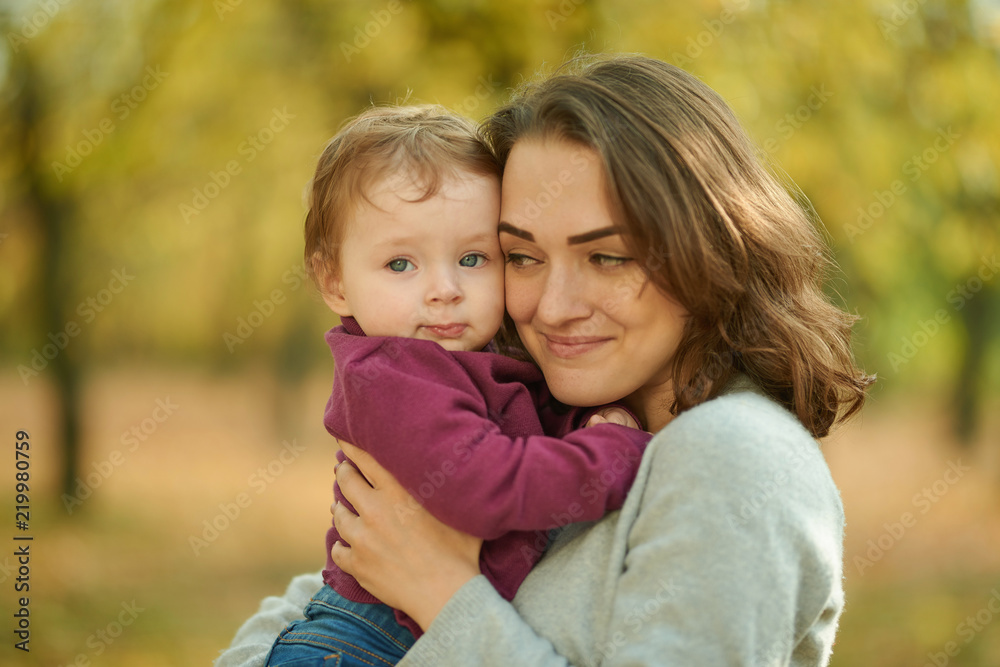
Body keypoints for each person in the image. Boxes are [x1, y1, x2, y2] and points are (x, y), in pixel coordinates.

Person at [218, 54, 872, 667]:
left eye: (607, 256)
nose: (554, 307)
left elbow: (409, 567)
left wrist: (445, 595)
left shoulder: (731, 453)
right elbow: (334, 582)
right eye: (524, 257)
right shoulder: (558, 417)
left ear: (709, 250)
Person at [262, 104, 653, 666]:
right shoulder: (390, 374)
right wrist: (615, 451)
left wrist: (586, 422)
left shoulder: (471, 358)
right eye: (401, 264)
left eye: (473, 257)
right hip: (360, 644)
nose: (444, 288)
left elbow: (525, 420)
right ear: (335, 283)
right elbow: (486, 487)